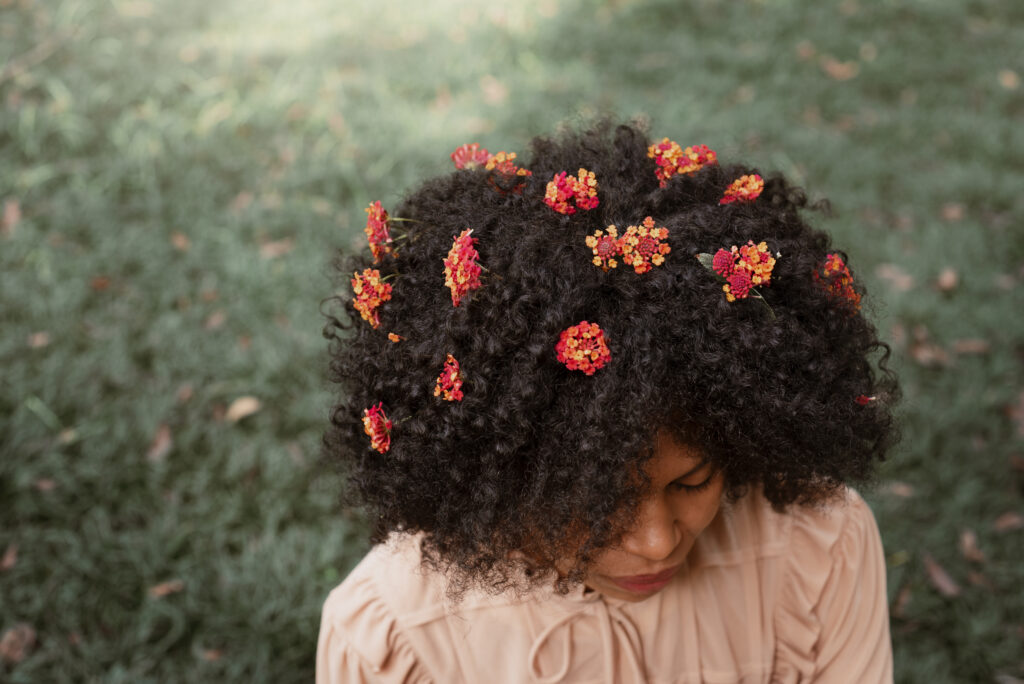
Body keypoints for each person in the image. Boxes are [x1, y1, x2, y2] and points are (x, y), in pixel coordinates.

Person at [317, 119, 899, 683]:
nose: (658, 542)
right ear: (496, 482)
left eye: (692, 482)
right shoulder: (393, 639)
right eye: (596, 498)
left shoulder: (820, 548)